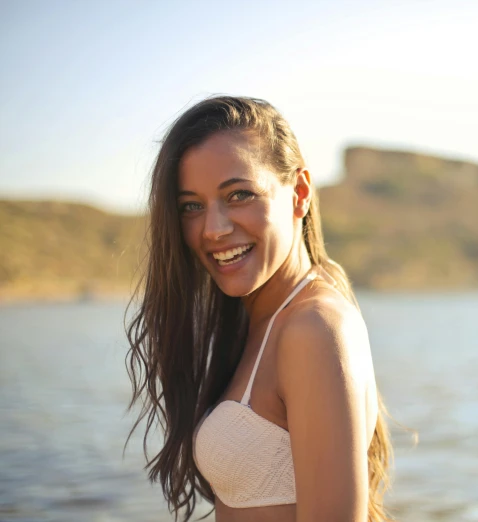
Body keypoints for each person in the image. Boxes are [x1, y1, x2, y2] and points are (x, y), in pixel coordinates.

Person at [125, 96, 392, 522]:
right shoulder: (263, 319)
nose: (213, 229)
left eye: (239, 195)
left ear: (299, 193)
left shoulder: (313, 328)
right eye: (191, 206)